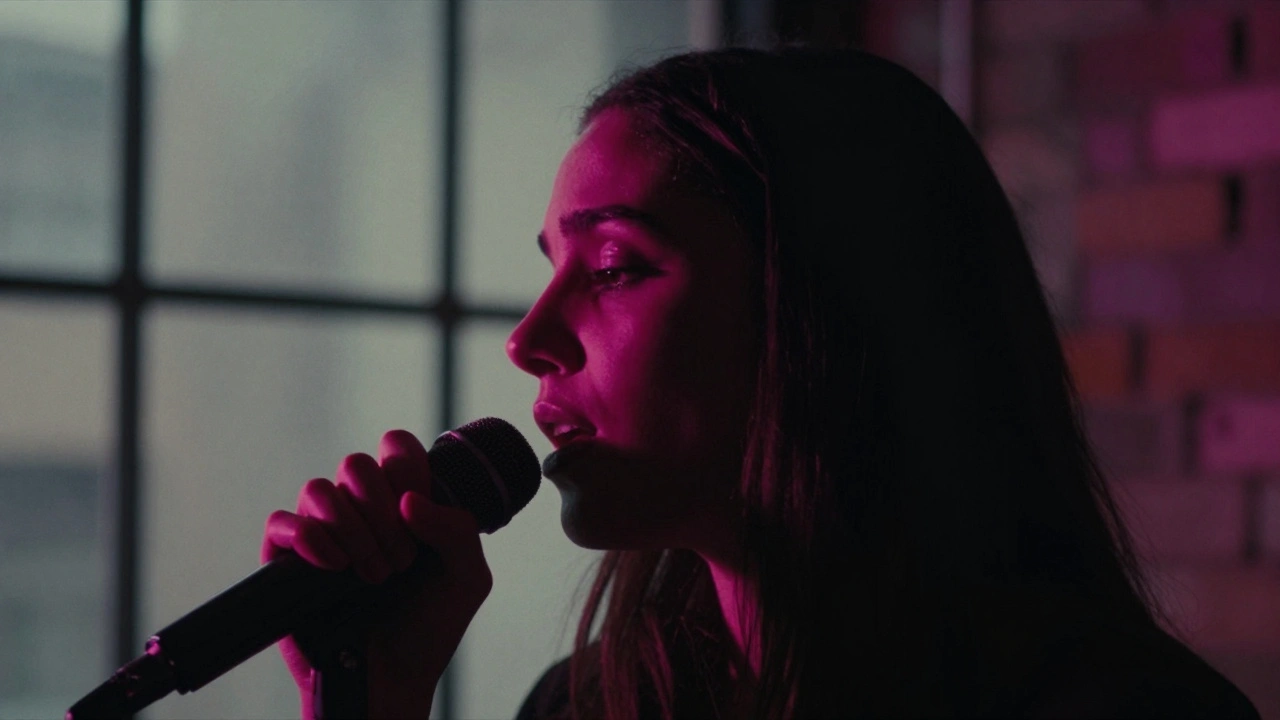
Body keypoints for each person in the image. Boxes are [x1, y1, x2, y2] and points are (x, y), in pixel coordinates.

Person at [261, 47, 1262, 719]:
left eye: (611, 269)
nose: (530, 339)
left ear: (824, 306)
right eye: (547, 270)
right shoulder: (585, 706)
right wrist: (373, 700)